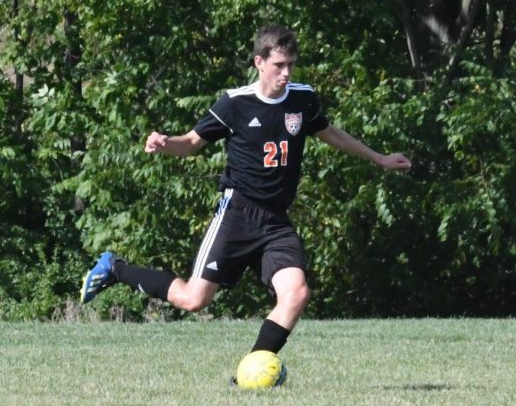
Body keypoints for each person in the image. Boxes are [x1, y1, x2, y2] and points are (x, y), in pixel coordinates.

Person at [80, 24, 412, 364]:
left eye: (291, 65)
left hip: (276, 221)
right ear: (259, 62)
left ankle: (253, 369)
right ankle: (115, 269)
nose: (286, 73)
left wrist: (379, 158)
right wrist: (166, 144)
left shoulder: (302, 98)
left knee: (296, 294)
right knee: (194, 300)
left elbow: (329, 133)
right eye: (278, 65)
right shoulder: (235, 103)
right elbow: (191, 143)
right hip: (237, 213)